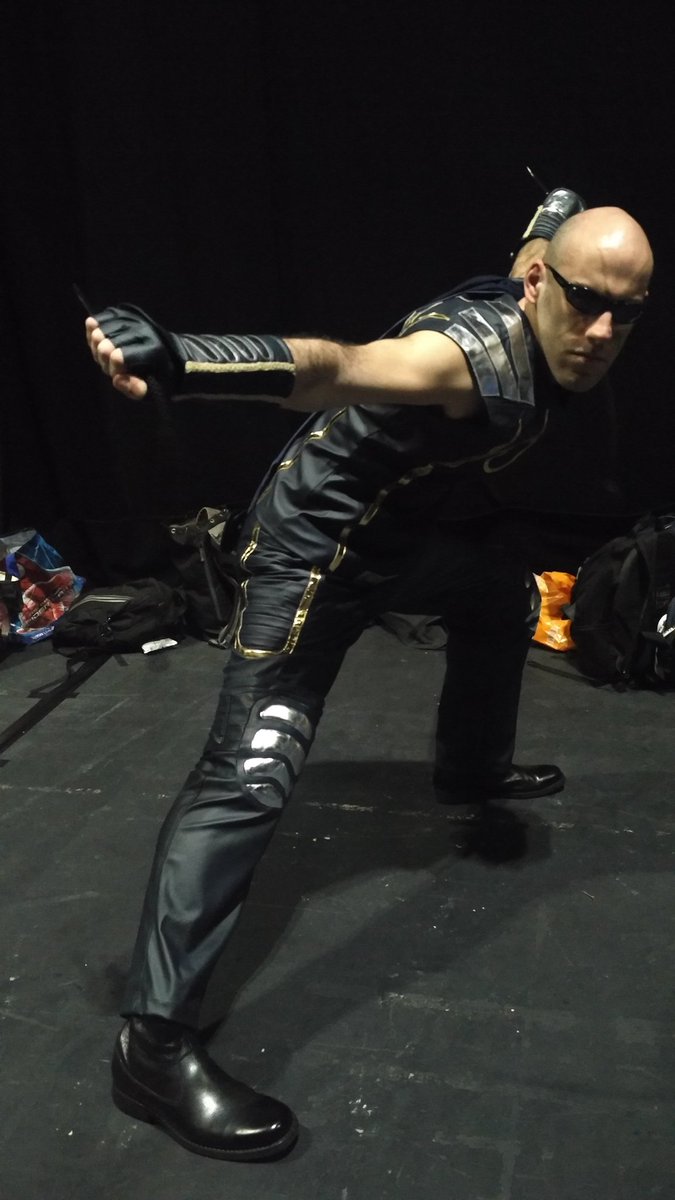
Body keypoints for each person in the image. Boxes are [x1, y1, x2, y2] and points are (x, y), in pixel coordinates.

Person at [85, 190, 653, 1162]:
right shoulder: (463, 361)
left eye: (625, 312)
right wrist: (182, 357)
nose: (601, 332)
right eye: (585, 301)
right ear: (536, 285)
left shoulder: (538, 273)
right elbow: (334, 367)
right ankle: (152, 1049)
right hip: (306, 561)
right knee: (250, 774)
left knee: (498, 595)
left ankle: (469, 769)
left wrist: (556, 202)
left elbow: (541, 232)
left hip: (388, 547)